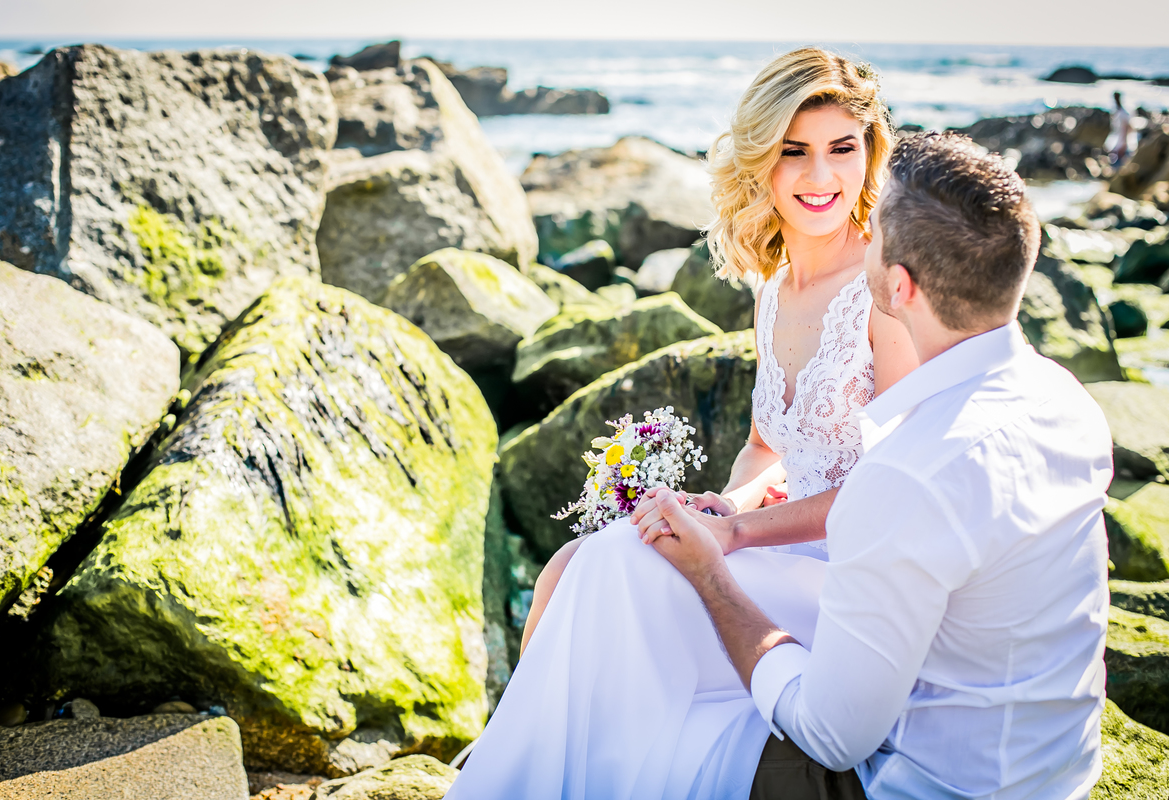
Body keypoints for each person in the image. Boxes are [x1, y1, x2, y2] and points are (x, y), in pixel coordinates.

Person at [445, 48, 918, 799]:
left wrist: (733, 535)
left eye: (841, 149)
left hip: (849, 577)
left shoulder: (886, 289)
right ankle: (524, 752)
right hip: (777, 545)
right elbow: (768, 446)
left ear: (870, 154)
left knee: (605, 569)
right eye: (794, 151)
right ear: (760, 158)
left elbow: (894, 492)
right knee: (572, 564)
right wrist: (727, 503)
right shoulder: (772, 285)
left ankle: (522, 766)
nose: (821, 176)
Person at [645, 132, 1113, 798]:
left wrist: (710, 576)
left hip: (923, 783)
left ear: (898, 284)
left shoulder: (903, 473)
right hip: (1055, 772)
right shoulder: (1067, 401)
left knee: (647, 739)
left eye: (878, 227)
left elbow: (832, 736)